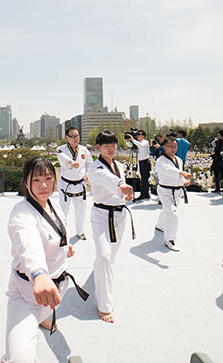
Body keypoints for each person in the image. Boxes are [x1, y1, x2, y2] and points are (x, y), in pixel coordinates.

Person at [1, 156, 88, 363]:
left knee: (43, 312)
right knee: (19, 359)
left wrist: (64, 248)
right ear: (26, 183)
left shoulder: (53, 204)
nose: (43, 185)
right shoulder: (21, 214)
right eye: (36, 180)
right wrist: (39, 274)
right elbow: (28, 244)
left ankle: (42, 318)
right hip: (28, 293)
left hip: (55, 289)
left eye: (48, 178)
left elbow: (53, 235)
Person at [87, 131, 135, 323]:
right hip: (101, 217)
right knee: (104, 255)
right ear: (98, 147)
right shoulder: (94, 168)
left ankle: (100, 270)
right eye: (106, 145)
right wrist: (121, 185)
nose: (111, 148)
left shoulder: (119, 166)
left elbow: (120, 188)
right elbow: (107, 179)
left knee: (110, 256)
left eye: (113, 145)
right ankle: (104, 305)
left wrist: (126, 194)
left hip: (119, 216)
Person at [154, 137, 192, 252]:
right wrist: (182, 173)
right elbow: (169, 170)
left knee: (167, 210)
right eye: (170, 146)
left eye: (175, 147)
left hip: (177, 191)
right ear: (164, 147)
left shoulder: (178, 160)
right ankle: (170, 239)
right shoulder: (161, 161)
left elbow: (178, 176)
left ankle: (160, 225)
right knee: (172, 213)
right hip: (165, 191)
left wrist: (184, 181)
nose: (173, 149)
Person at [56, 126, 93, 240]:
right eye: (72, 136)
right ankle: (62, 232)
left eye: (77, 136)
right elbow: (61, 157)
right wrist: (71, 163)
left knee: (81, 210)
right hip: (66, 185)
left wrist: (87, 174)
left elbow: (89, 164)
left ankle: (80, 231)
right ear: (67, 137)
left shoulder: (84, 150)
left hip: (80, 185)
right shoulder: (61, 149)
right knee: (63, 210)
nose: (75, 138)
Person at [128, 129, 151, 201]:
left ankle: (144, 194)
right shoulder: (138, 143)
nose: (137, 136)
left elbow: (141, 146)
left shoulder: (145, 142)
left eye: (139, 134)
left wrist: (133, 140)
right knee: (143, 179)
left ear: (143, 136)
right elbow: (130, 146)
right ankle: (145, 194)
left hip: (145, 162)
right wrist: (128, 140)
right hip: (141, 162)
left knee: (144, 179)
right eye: (137, 134)